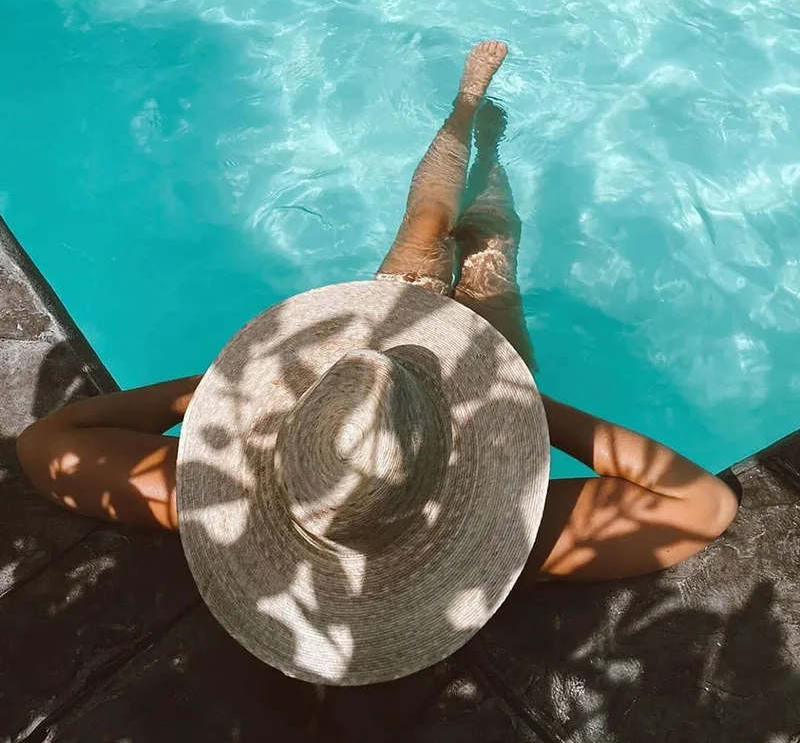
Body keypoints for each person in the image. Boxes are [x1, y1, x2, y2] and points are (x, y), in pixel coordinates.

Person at [16, 41, 739, 584]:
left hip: (370, 382)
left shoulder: (222, 512)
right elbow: (703, 505)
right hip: (469, 403)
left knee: (427, 225)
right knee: (489, 243)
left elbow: (47, 443)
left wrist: (222, 391)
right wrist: (527, 410)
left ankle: (465, 110)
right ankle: (483, 138)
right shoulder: (489, 543)